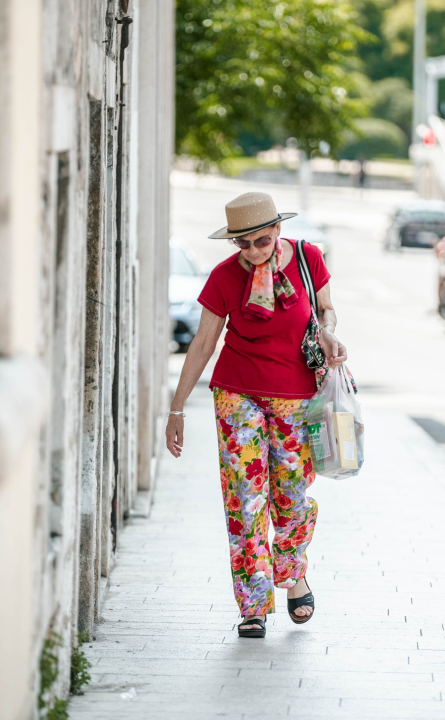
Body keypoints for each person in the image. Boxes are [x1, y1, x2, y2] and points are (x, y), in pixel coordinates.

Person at [164, 192, 347, 639]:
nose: (251, 252)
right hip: (237, 394)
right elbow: (204, 343)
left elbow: (326, 310)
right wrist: (176, 408)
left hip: (296, 396)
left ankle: (294, 574)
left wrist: (327, 333)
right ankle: (252, 604)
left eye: (260, 241)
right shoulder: (225, 277)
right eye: (241, 244)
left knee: (291, 496)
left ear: (277, 231)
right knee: (245, 499)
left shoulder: (308, 258)